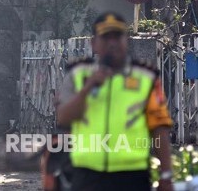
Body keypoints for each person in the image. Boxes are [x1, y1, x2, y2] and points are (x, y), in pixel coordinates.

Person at [56, 12, 173, 191]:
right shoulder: (78, 75)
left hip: (132, 177)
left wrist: (166, 175)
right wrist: (88, 88)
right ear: (93, 43)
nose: (112, 43)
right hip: (87, 176)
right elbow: (63, 118)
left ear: (126, 41)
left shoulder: (146, 78)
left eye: (117, 37)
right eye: (105, 37)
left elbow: (159, 128)